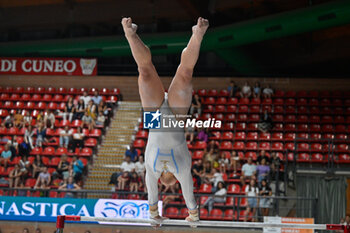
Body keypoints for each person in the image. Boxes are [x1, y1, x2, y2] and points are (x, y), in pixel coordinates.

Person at [121, 16, 209, 223]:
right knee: (185, 73)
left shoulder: (152, 170)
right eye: (171, 186)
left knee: (145, 72)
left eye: (166, 186)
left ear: (162, 181)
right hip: (176, 120)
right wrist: (193, 215)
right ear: (173, 182)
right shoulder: (182, 170)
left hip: (154, 119)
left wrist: (154, 216)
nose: (169, 185)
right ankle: (197, 35)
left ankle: (130, 35)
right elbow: (188, 191)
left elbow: (152, 193)